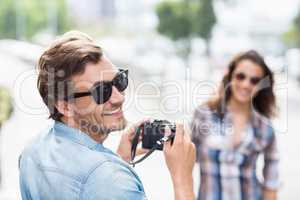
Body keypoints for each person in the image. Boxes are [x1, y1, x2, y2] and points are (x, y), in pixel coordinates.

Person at [19, 31, 196, 200]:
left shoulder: (31, 152)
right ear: (65, 106)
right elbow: (103, 184)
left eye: (119, 81)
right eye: (102, 91)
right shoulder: (112, 180)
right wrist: (183, 179)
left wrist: (120, 160)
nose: (119, 97)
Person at [191, 50, 279, 200]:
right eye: (241, 76)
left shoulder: (265, 127)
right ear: (230, 77)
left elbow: (272, 180)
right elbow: (186, 159)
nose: (246, 84)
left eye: (254, 80)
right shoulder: (204, 114)